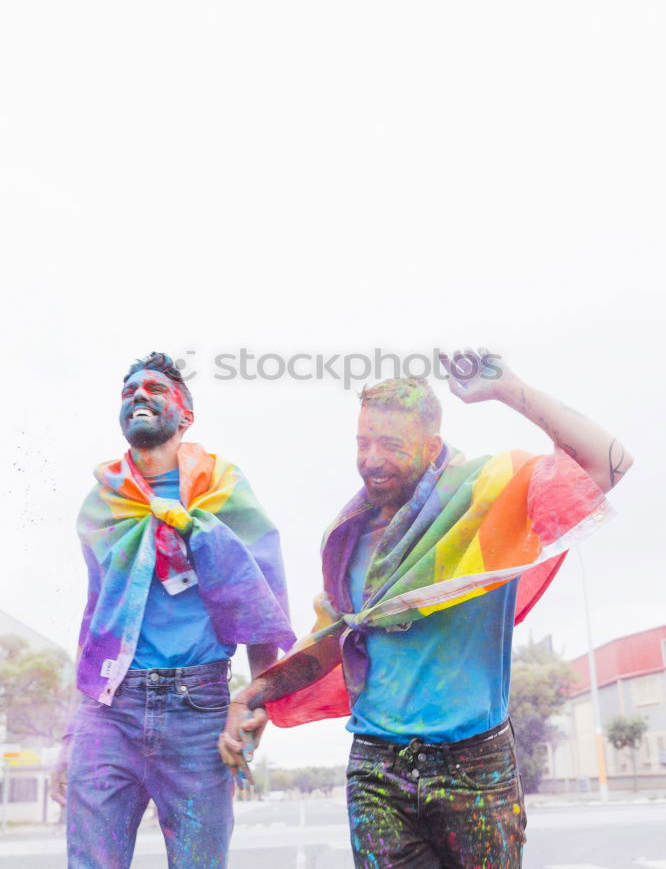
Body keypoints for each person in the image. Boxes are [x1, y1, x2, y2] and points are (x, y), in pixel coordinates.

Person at [220, 351, 633, 869]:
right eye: (362, 442)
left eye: (391, 445)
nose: (371, 459)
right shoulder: (345, 539)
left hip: (475, 767)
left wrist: (508, 388)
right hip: (376, 769)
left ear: (431, 447)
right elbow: (338, 640)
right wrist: (253, 693)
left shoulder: (488, 501)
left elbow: (608, 460)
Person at [51, 351, 294, 869]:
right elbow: (96, 615)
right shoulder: (104, 500)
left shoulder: (222, 487)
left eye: (155, 389)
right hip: (108, 712)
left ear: (185, 416)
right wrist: (74, 729)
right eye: (129, 391)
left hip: (198, 709)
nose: (138, 395)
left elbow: (258, 594)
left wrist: (255, 700)